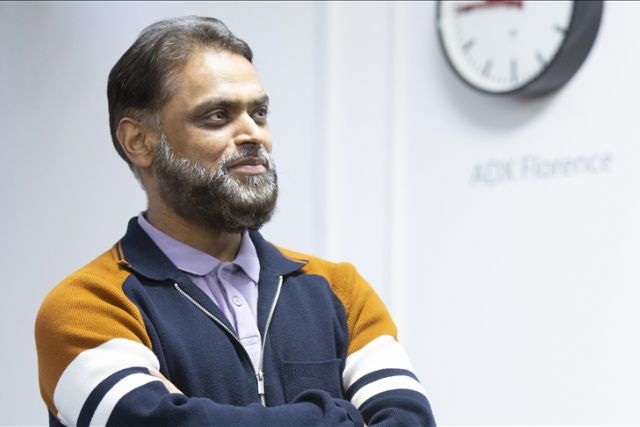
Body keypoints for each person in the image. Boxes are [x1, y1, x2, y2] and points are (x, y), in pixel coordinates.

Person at [35, 16, 436, 427]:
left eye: (259, 113)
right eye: (217, 115)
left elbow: (410, 421)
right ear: (138, 141)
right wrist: (337, 414)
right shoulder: (86, 307)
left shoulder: (341, 293)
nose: (254, 135)